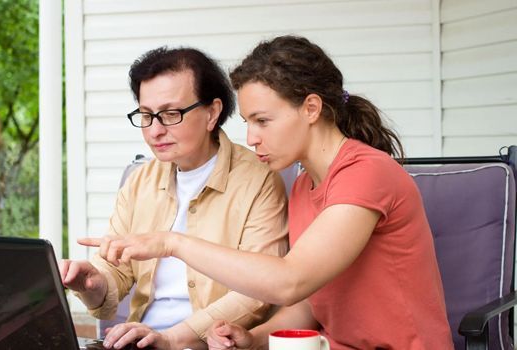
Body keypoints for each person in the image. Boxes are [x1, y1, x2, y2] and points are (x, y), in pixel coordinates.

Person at [79, 35, 454, 349]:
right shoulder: (307, 183)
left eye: (262, 121)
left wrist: (172, 243)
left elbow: (290, 281)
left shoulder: (366, 173)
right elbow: (311, 299)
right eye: (248, 122)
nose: (251, 137)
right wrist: (252, 337)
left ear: (310, 108)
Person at [60, 47, 289, 350]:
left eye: (170, 114)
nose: (155, 131)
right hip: (143, 342)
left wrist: (173, 338)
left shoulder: (258, 179)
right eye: (145, 116)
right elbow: (113, 277)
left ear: (212, 113)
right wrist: (93, 285)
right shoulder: (139, 181)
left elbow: (258, 292)